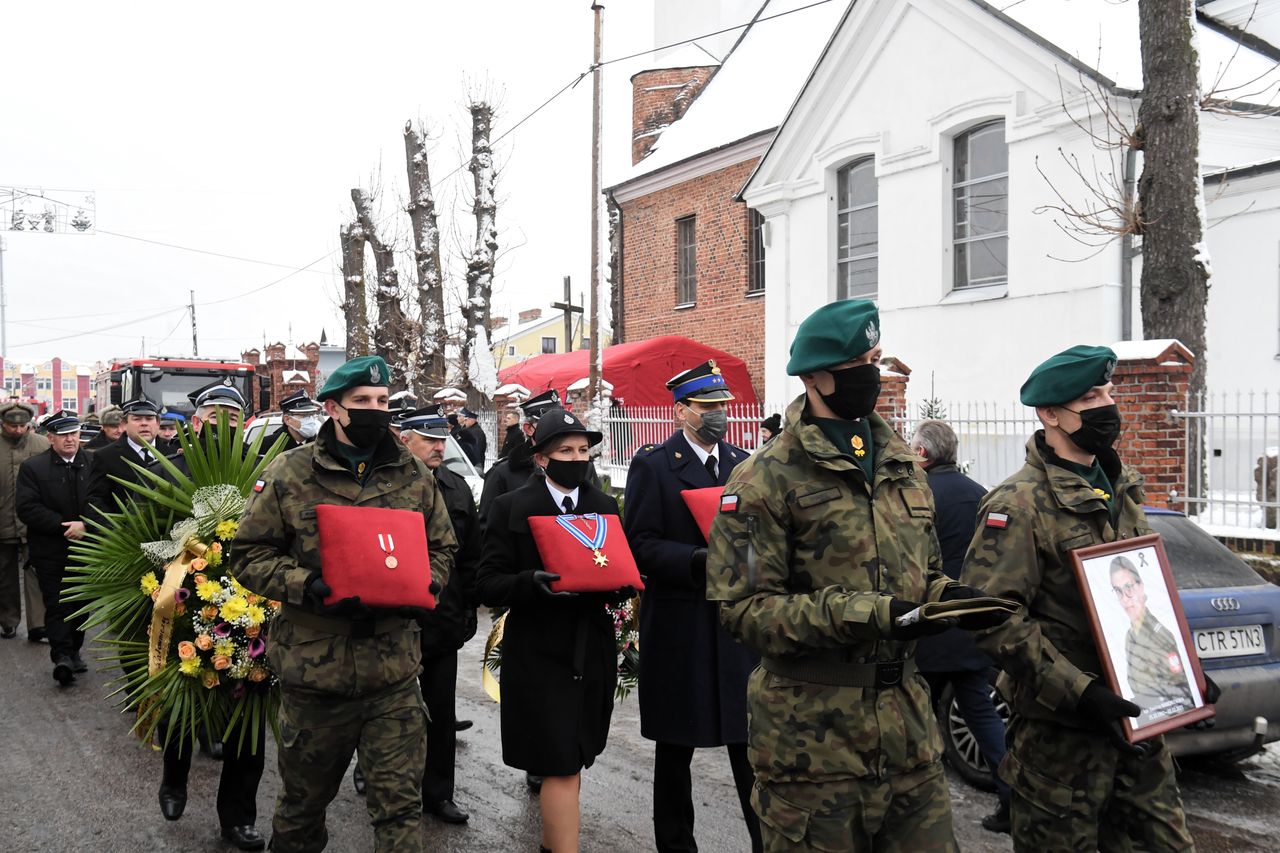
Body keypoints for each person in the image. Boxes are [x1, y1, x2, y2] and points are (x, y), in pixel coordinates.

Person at [706, 300, 1004, 851]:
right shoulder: (761, 480)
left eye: (877, 357)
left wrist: (949, 598)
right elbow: (744, 610)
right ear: (816, 377)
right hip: (812, 752)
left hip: (911, 743)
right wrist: (868, 614)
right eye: (862, 362)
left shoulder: (902, 469)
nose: (875, 372)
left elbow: (926, 572)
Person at [963, 344, 1210, 850]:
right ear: (1050, 414)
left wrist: (1182, 672)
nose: (1107, 404)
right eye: (1090, 396)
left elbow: (1147, 599)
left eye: (1108, 391)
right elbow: (991, 618)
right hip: (1062, 743)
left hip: (1139, 733)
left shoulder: (1121, 491)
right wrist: (1080, 690)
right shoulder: (1019, 504)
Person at [231, 355, 457, 853]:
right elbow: (247, 554)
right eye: (362, 402)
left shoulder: (413, 473)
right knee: (301, 810)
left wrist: (427, 583)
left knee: (400, 812)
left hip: (393, 672)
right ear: (333, 407)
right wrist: (304, 584)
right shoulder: (291, 472)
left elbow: (442, 546)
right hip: (315, 676)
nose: (375, 410)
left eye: (382, 401)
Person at [475, 407, 631, 853]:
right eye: (565, 450)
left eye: (583, 449)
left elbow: (617, 567)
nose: (577, 458)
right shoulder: (512, 506)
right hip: (540, 653)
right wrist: (529, 584)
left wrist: (620, 588)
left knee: (576, 757)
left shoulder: (602, 506)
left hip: (591, 648)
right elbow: (487, 583)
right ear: (541, 458)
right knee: (559, 763)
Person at [623, 360, 761, 853]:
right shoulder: (654, 466)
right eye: (708, 407)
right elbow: (640, 544)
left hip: (734, 628)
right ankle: (677, 846)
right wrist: (698, 559)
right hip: (681, 625)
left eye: (723, 406)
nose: (720, 415)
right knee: (675, 750)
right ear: (682, 410)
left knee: (752, 751)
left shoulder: (745, 464)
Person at [149, 385, 268, 851]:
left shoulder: (264, 473)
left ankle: (237, 818)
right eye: (215, 415)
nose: (225, 425)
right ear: (196, 422)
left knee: (250, 717)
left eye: (235, 417)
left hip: (250, 611)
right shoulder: (166, 472)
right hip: (182, 607)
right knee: (181, 703)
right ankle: (174, 777)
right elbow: (145, 537)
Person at [909, 419, 1010, 834]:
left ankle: (915, 809)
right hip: (969, 623)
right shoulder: (980, 493)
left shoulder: (917, 495)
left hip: (928, 625)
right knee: (983, 716)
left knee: (913, 719)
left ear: (922, 454)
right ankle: (1010, 797)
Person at [395, 406, 482, 824]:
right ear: (403, 438)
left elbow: (470, 557)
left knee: (441, 712)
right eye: (428, 438)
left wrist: (468, 609)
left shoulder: (457, 487)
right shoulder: (385, 484)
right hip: (392, 620)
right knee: (389, 708)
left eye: (441, 437)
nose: (438, 445)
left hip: (442, 617)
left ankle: (438, 793)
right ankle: (378, 776)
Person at [15, 411, 103, 684]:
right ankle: (62, 655)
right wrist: (63, 526)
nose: (70, 439)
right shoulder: (34, 467)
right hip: (51, 549)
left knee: (82, 603)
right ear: (50, 437)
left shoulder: (94, 463)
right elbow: (27, 507)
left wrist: (87, 525)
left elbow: (104, 499)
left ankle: (74, 650)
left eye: (74, 433)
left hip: (87, 548)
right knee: (57, 603)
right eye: (63, 434)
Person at [1110, 556, 1194, 725]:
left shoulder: (1161, 637)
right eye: (1118, 591)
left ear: (1140, 587)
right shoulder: (1129, 636)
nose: (1125, 598)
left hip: (1164, 721)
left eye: (1129, 587)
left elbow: (1180, 692)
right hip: (1145, 721)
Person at [1, 402, 49, 642]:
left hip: (35, 523)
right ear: (3, 424)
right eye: (12, 426)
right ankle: (8, 621)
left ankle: (38, 625)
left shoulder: (42, 445)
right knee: (4, 576)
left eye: (23, 426)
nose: (18, 430)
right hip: (2, 521)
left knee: (37, 572)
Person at [479, 389, 562, 526]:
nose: (557, 429)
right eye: (547, 423)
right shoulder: (502, 474)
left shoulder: (579, 467)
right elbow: (487, 529)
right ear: (529, 429)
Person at [90, 397, 162, 512]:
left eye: (149, 419)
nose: (144, 423)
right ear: (124, 423)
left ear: (158, 423)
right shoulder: (106, 456)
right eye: (137, 419)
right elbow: (95, 501)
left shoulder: (173, 452)